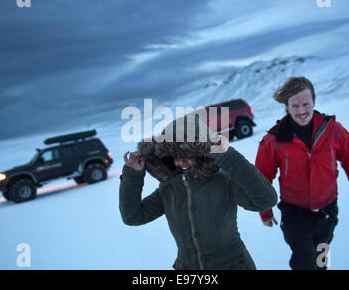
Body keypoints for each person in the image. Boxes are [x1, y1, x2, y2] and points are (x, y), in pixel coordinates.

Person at [119, 115, 278, 270]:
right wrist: (132, 175)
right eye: (177, 155)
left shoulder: (223, 181)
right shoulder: (168, 190)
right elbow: (133, 216)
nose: (182, 161)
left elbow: (265, 200)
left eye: (189, 154)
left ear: (202, 153)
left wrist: (228, 156)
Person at [256, 76, 349, 270]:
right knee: (304, 262)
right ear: (287, 107)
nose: (301, 111)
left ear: (314, 102)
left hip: (327, 211)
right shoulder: (274, 140)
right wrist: (264, 211)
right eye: (295, 106)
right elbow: (260, 178)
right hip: (295, 214)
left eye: (305, 104)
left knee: (322, 259)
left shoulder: (334, 131)